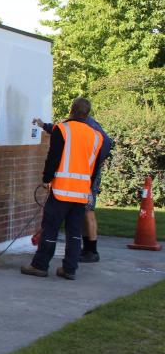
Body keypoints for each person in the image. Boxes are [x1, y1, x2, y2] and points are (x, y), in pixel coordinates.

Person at [22, 98, 105, 280]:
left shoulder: (63, 129)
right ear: (87, 114)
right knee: (74, 232)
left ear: (71, 111)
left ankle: (40, 265)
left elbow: (53, 157)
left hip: (62, 190)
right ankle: (69, 269)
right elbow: (95, 167)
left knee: (50, 228)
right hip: (82, 192)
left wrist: (46, 179)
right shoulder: (96, 136)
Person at [33, 109, 114, 262]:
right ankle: (73, 264)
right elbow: (60, 130)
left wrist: (47, 178)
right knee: (74, 227)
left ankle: (91, 250)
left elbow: (56, 148)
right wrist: (43, 125)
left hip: (72, 184)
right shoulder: (87, 128)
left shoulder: (86, 128)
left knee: (57, 224)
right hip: (84, 182)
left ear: (72, 111)